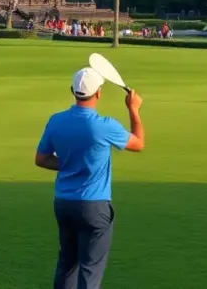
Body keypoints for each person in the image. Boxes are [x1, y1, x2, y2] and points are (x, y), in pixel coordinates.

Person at [36, 67, 145, 289]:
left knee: (67, 264)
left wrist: (69, 164)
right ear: (98, 93)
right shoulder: (104, 126)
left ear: (73, 91)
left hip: (64, 204)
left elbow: (41, 159)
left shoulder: (56, 121)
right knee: (90, 270)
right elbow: (138, 143)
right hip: (94, 207)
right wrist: (133, 109)